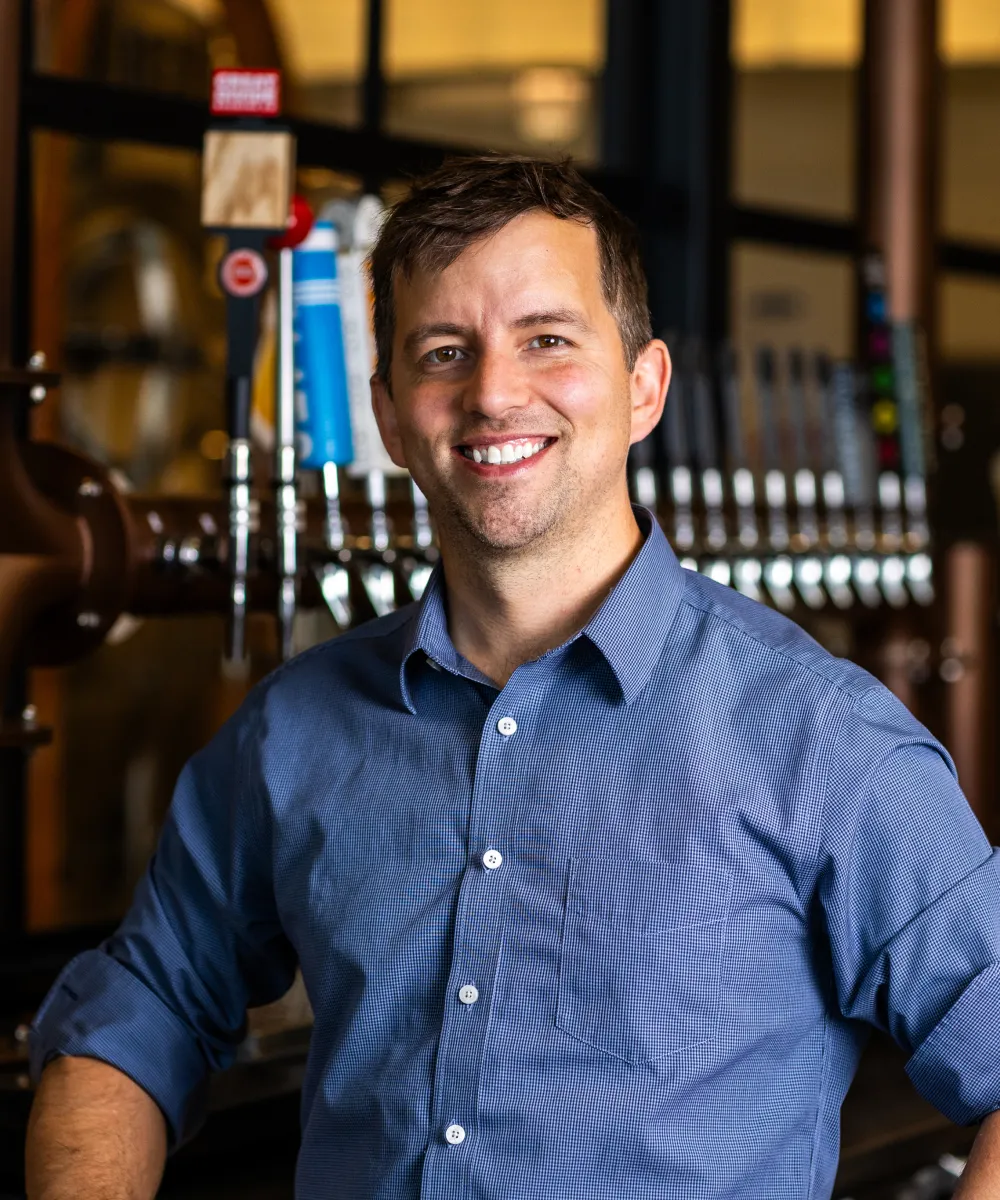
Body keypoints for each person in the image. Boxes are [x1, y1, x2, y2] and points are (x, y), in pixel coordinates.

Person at [25, 154, 1000, 1200]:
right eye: (444, 352)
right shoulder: (292, 732)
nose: (492, 393)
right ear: (392, 416)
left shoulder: (822, 739)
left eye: (546, 340)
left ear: (642, 387)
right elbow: (138, 1015)